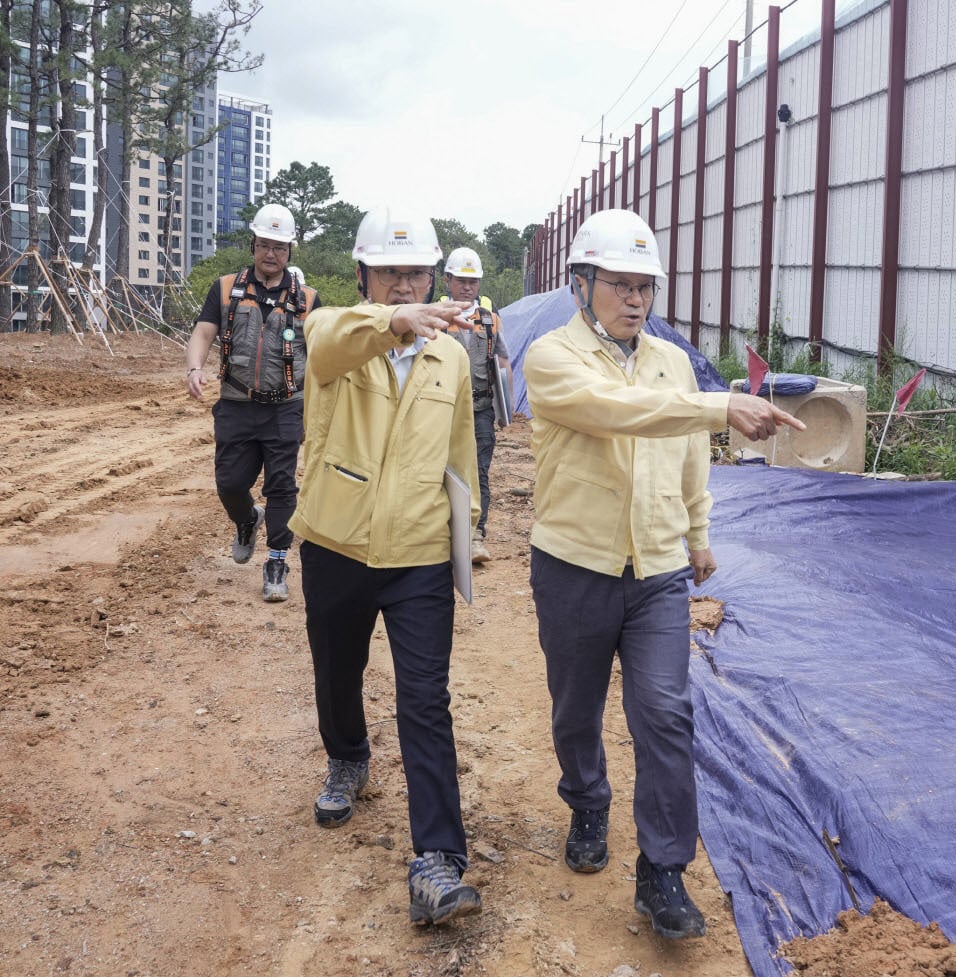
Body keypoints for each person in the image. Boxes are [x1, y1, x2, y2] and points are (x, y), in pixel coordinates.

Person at [523, 208, 804, 940]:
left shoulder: (671, 363)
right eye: (619, 283)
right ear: (580, 284)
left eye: (645, 285)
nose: (635, 299)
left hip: (656, 571)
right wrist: (720, 404)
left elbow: (685, 455)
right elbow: (622, 412)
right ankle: (587, 800)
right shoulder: (554, 359)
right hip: (574, 564)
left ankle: (663, 870)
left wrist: (698, 532)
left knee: (665, 712)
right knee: (576, 706)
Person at [288, 207, 483, 927]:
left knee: (426, 698)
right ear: (364, 274)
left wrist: (473, 533)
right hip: (338, 541)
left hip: (421, 554)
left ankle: (438, 859)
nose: (408, 284)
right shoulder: (340, 333)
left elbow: (460, 454)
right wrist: (394, 320)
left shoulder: (452, 358)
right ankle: (347, 757)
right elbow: (323, 342)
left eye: (418, 272)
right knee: (337, 669)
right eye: (393, 272)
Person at [185, 203, 320, 602]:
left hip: (286, 406)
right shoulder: (225, 287)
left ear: (289, 251)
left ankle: (277, 561)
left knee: (282, 487)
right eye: (264, 245)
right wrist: (195, 368)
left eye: (279, 247)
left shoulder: (309, 300)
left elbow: (324, 355)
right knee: (229, 483)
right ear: (253, 245)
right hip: (237, 403)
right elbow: (203, 332)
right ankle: (247, 520)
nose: (271, 254)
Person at [440, 246, 511, 565]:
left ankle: (476, 535)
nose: (468, 287)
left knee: (479, 471)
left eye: (473, 281)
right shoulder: (436, 318)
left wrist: (503, 407)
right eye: (461, 280)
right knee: (440, 469)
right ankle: (443, 533)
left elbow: (504, 361)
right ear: (447, 281)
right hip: (443, 411)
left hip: (481, 410)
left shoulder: (490, 320)